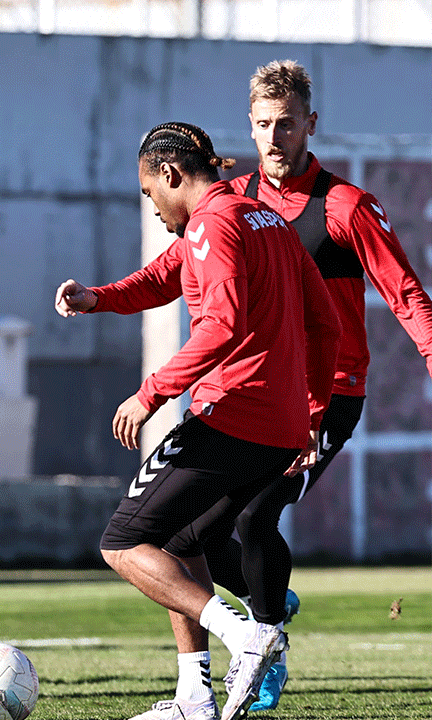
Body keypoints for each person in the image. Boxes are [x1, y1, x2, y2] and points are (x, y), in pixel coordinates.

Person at [54, 122, 340, 720]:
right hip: (280, 423)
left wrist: (150, 394)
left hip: (233, 414)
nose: (151, 205)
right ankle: (194, 698)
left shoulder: (214, 222)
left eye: (147, 192)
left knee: (123, 542)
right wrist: (98, 297)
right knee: (183, 541)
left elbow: (222, 325)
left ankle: (249, 638)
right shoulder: (260, 217)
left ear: (170, 174)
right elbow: (325, 320)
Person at [188, 59, 432, 713]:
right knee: (197, 535)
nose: (274, 137)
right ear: (249, 125)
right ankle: (273, 599)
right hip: (255, 394)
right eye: (263, 124)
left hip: (329, 396)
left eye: (287, 125)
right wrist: (104, 298)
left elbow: (405, 293)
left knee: (253, 515)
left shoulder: (346, 207)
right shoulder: (233, 204)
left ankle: (266, 646)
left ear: (310, 125)